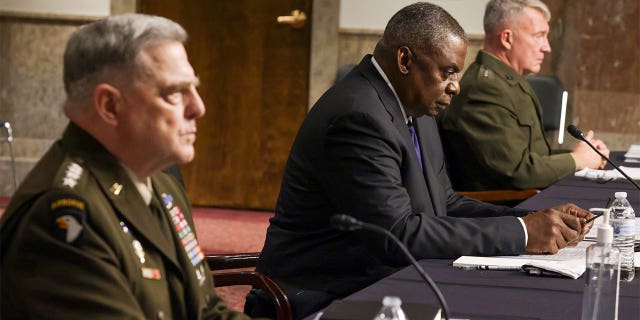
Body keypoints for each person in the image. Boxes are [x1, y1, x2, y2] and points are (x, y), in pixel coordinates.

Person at [246, 2, 594, 319]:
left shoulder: (417, 107)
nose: (456, 86)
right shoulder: (357, 117)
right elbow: (397, 234)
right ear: (405, 61)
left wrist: (532, 220)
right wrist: (521, 233)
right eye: (448, 72)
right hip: (324, 289)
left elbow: (445, 203)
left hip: (385, 276)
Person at [0, 14, 252, 319]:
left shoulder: (160, 184)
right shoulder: (63, 215)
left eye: (194, 88)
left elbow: (206, 310)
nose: (198, 107)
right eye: (174, 91)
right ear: (110, 106)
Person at [438, 0, 610, 191]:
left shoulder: (506, 81)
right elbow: (518, 173)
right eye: (539, 36)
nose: (547, 47)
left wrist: (585, 155)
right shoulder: (485, 90)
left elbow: (533, 156)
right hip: (504, 209)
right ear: (507, 39)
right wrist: (576, 160)